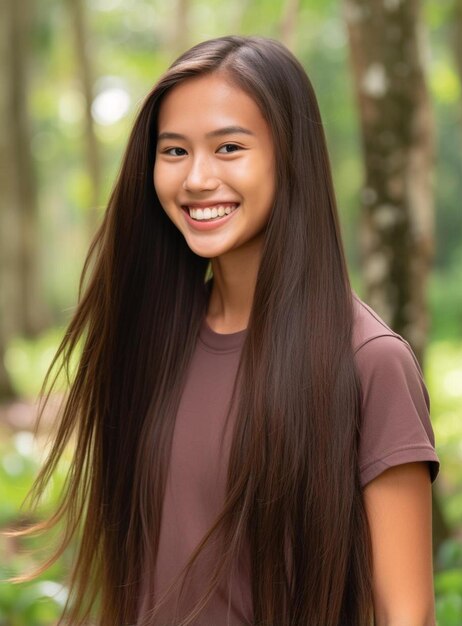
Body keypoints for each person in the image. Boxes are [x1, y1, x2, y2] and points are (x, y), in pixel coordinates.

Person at [12, 35, 440, 626]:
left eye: (229, 147)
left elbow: (407, 613)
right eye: (174, 151)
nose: (197, 178)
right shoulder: (151, 344)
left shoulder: (368, 361)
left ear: (290, 156)